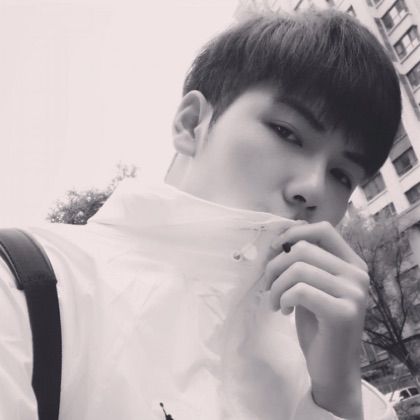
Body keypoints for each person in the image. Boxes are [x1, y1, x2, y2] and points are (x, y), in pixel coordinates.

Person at [0, 8, 401, 420]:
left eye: (341, 175)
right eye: (287, 133)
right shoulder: (25, 290)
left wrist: (337, 399)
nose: (313, 188)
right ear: (192, 123)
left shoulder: (348, 395)